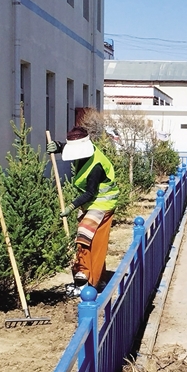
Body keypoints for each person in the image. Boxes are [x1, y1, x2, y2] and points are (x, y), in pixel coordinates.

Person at [47, 127, 119, 297]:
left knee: (87, 238)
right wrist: (59, 146)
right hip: (92, 204)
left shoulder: (96, 166)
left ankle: (88, 282)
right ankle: (94, 277)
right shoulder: (85, 151)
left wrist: (71, 207)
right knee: (89, 240)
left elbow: (90, 193)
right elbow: (73, 147)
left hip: (103, 204)